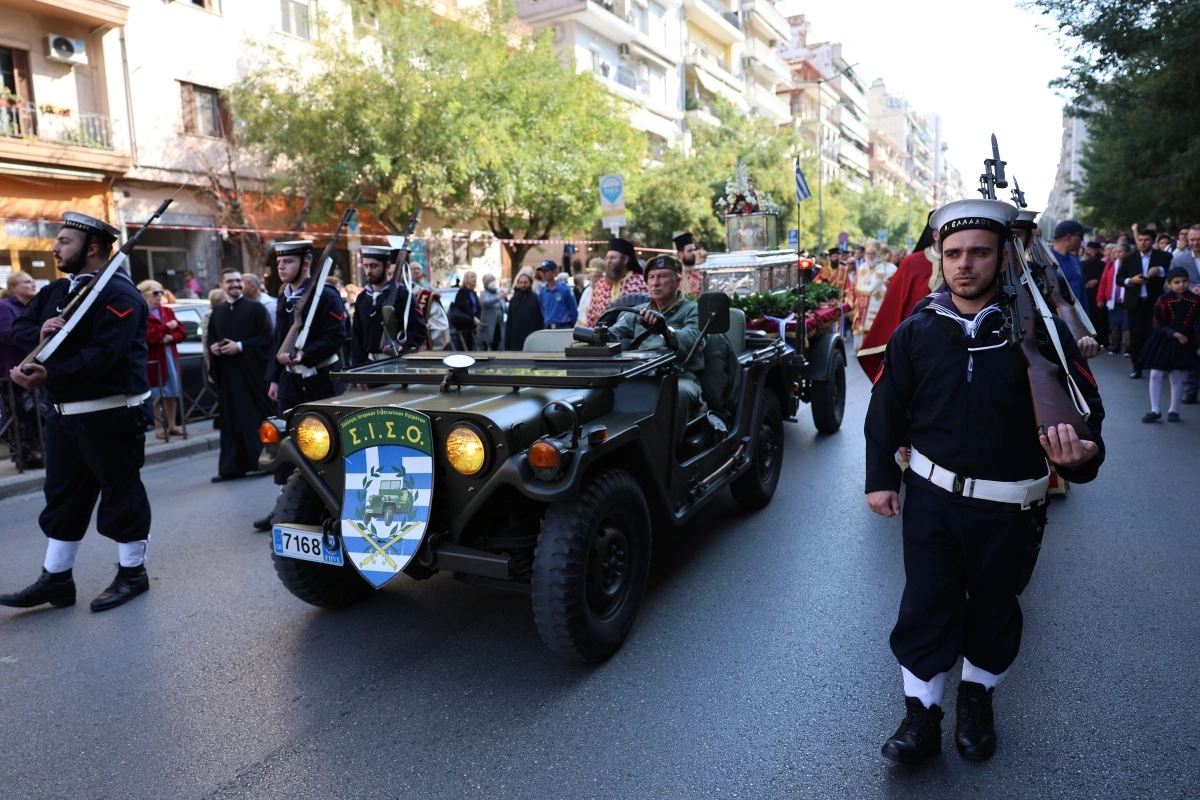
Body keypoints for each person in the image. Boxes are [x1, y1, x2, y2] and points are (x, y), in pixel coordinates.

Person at [865, 198, 1105, 765]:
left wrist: (1079, 458)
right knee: (925, 606)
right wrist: (880, 479)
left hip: (1010, 508)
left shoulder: (1043, 334)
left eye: (978, 252)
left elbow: (1087, 416)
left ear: (1002, 259)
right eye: (953, 253)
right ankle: (921, 716)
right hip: (932, 500)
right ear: (939, 258)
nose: (964, 264)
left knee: (995, 609)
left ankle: (977, 702)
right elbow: (885, 411)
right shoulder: (916, 331)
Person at [2, 212, 153, 612]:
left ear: (92, 249)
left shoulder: (120, 295)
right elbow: (20, 328)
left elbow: (105, 354)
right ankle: (56, 579)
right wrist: (39, 334)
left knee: (121, 494)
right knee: (63, 496)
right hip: (63, 415)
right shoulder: (55, 290)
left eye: (64, 241)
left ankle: (133, 573)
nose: (55, 248)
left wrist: (51, 373)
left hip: (110, 414)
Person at [255, 239, 348, 531]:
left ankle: (334, 505)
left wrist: (305, 354)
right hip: (290, 382)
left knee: (325, 447)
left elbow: (336, 336)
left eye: (288, 262)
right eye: (279, 262)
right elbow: (278, 339)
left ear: (305, 264)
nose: (281, 267)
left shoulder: (326, 296)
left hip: (320, 381)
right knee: (287, 446)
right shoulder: (284, 296)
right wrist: (274, 377)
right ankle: (286, 506)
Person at [607, 254, 704, 444]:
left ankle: (665, 454)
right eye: (651, 277)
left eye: (662, 276)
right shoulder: (638, 311)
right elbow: (614, 333)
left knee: (678, 394)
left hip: (680, 376)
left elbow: (694, 339)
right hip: (641, 375)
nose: (655, 283)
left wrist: (666, 330)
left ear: (677, 281)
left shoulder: (692, 310)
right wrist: (597, 336)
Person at [207, 269, 275, 482]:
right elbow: (211, 337)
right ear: (221, 285)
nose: (235, 284)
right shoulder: (217, 312)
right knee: (231, 421)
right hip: (228, 376)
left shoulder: (256, 309)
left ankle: (267, 461)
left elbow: (267, 338)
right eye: (230, 281)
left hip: (252, 375)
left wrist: (241, 346)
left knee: (257, 419)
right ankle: (232, 467)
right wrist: (214, 348)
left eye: (238, 281)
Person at [856, 216, 942, 378]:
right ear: (936, 235)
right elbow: (895, 304)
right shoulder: (911, 263)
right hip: (917, 342)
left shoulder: (962, 263)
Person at [1139, 266, 1200, 423]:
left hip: (1185, 341)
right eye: (1177, 282)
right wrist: (1175, 334)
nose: (1181, 285)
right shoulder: (1163, 300)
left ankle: (1174, 409)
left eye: (1184, 281)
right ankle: (1155, 409)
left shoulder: (1195, 300)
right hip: (1164, 340)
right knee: (1156, 374)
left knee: (1177, 375)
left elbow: (1198, 324)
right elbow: (1157, 323)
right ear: (1169, 284)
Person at [350, 246, 427, 365]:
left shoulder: (402, 295)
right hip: (368, 365)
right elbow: (357, 335)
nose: (369, 271)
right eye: (366, 266)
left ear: (387, 266)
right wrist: (357, 366)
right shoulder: (362, 298)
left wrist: (402, 347)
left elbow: (419, 330)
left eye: (374, 266)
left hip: (397, 363)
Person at [0, 272, 43, 468]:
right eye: (26, 281)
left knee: (38, 415)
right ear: (14, 288)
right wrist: (37, 334)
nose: (32, 284)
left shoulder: (32, 306)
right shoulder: (5, 306)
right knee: (22, 416)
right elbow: (6, 334)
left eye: (33, 281)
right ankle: (27, 458)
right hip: (14, 371)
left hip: (34, 367)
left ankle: (41, 454)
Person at [1117, 228, 1172, 379]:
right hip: (1136, 303)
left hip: (1156, 303)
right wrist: (1131, 280)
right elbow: (1119, 279)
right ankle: (1137, 366)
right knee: (1136, 336)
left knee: (1155, 334)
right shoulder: (1130, 258)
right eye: (1140, 240)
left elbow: (1171, 273)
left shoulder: (1164, 256)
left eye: (1146, 240)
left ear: (1153, 241)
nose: (1142, 243)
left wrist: (1159, 270)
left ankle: (1155, 365)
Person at [138, 279, 184, 439]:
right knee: (156, 395)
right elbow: (146, 337)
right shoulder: (141, 313)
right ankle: (158, 427)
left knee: (172, 392)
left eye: (161, 292)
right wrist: (165, 329)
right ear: (144, 295)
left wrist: (171, 337)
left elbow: (181, 331)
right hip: (153, 360)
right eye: (156, 293)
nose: (160, 296)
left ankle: (172, 425)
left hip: (170, 356)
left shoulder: (167, 311)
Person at [584, 238, 649, 327]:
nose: (608, 261)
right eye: (607, 258)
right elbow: (592, 315)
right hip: (604, 333)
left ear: (625, 260)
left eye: (613, 258)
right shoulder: (600, 284)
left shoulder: (640, 281)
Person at [1168, 224, 1200, 403]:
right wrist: (1188, 291)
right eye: (1192, 239)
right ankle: (1191, 389)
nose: (1195, 243)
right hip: (1188, 312)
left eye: (1199, 239)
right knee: (1190, 350)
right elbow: (1168, 286)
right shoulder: (1180, 260)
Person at [852, 241, 897, 338]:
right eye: (868, 254)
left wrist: (889, 285)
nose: (870, 256)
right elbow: (854, 287)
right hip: (861, 310)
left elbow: (897, 288)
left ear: (878, 254)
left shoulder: (889, 269)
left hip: (879, 307)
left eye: (873, 253)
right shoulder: (861, 268)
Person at [1097, 243, 1129, 354]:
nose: (1117, 254)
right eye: (1115, 251)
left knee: (1127, 326)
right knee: (1114, 325)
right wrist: (1100, 298)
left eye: (1120, 251)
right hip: (1112, 300)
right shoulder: (1110, 265)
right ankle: (1116, 345)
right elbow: (1103, 281)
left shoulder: (1131, 264)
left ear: (1127, 253)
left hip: (1126, 300)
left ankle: (1129, 349)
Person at [505, 269, 544, 351]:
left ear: (530, 283)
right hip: (516, 337)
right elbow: (510, 321)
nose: (523, 285)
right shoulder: (514, 299)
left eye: (525, 282)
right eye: (521, 282)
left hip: (532, 335)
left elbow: (540, 319)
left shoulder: (535, 298)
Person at [537, 260, 577, 330]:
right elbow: (543, 310)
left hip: (563, 326)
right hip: (548, 327)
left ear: (554, 272)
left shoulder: (565, 289)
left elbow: (573, 310)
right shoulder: (542, 292)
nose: (543, 273)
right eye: (542, 271)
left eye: (546, 271)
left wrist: (571, 327)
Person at [1081, 240, 1108, 336]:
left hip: (1097, 296)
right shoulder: (1082, 264)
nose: (1086, 252)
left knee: (1099, 321)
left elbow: (1106, 279)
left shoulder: (1103, 264)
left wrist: (1098, 281)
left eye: (1089, 249)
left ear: (1096, 251)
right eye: (1086, 249)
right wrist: (1086, 284)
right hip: (1085, 295)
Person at [449, 270, 481, 350]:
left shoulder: (473, 293)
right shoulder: (462, 292)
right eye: (472, 277)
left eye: (475, 277)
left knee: (471, 346)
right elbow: (465, 306)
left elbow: (477, 307)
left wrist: (477, 317)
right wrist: (473, 317)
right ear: (466, 279)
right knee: (463, 347)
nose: (474, 279)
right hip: (463, 325)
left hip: (472, 325)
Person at [478, 273, 506, 351]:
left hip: (499, 324)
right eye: (490, 281)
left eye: (493, 280)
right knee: (489, 344)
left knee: (498, 342)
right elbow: (486, 303)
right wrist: (498, 298)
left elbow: (504, 307)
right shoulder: (484, 293)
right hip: (489, 324)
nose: (493, 282)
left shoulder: (497, 292)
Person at [576, 258, 605, 326]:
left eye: (597, 276)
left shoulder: (605, 291)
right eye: (593, 275)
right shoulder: (587, 291)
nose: (595, 278)